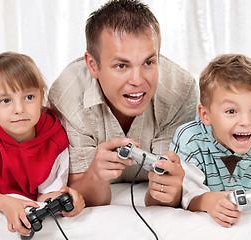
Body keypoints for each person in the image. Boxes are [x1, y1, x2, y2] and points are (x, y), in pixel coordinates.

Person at [48, 0, 198, 207]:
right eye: (121, 65)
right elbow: (81, 194)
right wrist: (95, 176)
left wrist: (168, 189)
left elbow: (166, 197)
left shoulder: (180, 91)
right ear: (93, 66)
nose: (137, 80)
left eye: (148, 62)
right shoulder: (68, 96)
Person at [0, 52, 85, 237]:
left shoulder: (55, 139)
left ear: (41, 97)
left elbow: (43, 196)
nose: (19, 109)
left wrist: (66, 200)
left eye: (29, 97)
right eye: (6, 100)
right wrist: (4, 203)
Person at [170, 53, 251, 227]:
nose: (246, 122)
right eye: (231, 111)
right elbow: (186, 194)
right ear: (206, 115)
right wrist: (206, 201)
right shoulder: (190, 140)